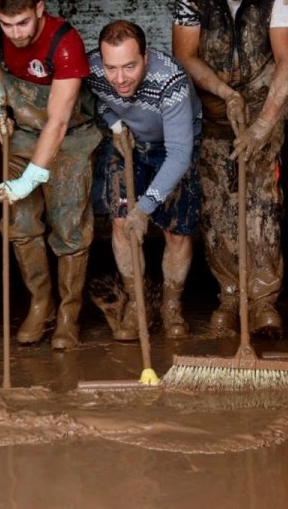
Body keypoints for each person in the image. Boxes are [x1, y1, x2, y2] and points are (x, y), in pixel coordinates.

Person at [171, 0, 288, 335]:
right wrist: (226, 93)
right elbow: (185, 55)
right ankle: (229, 296)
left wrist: (263, 126)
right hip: (213, 110)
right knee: (218, 207)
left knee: (262, 202)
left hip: (264, 106)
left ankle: (263, 300)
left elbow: (287, 62)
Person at [0, 0, 101, 350]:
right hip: (21, 135)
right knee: (18, 223)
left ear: (40, 9)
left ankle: (68, 312)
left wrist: (32, 177)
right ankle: (41, 303)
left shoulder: (65, 43)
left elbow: (60, 120)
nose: (15, 32)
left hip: (69, 139)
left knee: (68, 227)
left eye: (22, 22)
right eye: (6, 24)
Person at [86, 21, 202, 339]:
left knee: (176, 231)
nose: (120, 79)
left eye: (129, 67)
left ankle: (171, 306)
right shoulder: (93, 69)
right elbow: (96, 102)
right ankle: (136, 303)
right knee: (122, 223)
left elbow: (180, 153)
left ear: (146, 57)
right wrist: (115, 125)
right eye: (112, 68)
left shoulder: (171, 80)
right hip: (130, 143)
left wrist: (145, 208)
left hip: (173, 145)